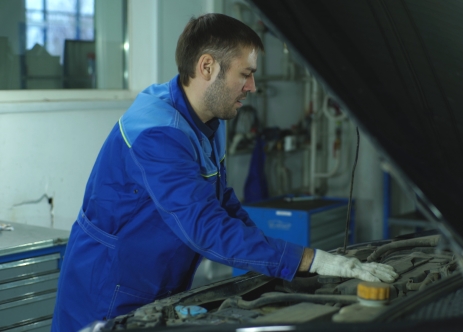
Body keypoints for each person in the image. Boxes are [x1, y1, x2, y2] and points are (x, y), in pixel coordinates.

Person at [51, 13, 397, 332]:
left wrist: (287, 261)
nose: (253, 87)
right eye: (245, 74)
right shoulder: (159, 133)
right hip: (109, 288)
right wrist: (308, 260)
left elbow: (222, 203)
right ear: (207, 67)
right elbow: (204, 226)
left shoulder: (207, 119)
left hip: (157, 280)